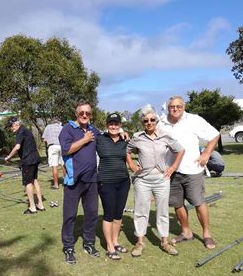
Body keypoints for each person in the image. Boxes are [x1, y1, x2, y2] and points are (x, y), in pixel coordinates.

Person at [159, 96, 220, 249]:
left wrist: (206, 153)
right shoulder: (161, 122)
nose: (175, 109)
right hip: (171, 171)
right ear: (168, 108)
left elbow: (214, 135)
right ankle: (186, 232)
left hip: (192, 170)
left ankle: (207, 234)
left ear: (184, 107)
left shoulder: (194, 120)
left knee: (198, 202)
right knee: (177, 204)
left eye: (178, 106)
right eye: (172, 106)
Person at [126, 105, 184, 258]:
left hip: (161, 178)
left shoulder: (165, 136)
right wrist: (131, 164)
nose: (149, 123)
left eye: (152, 120)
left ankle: (165, 242)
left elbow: (180, 150)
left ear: (157, 121)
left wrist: (173, 167)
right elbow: (127, 150)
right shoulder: (137, 137)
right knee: (141, 210)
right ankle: (140, 242)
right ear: (142, 123)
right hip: (142, 179)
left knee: (163, 210)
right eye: (146, 121)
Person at [59, 101, 101, 264]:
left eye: (88, 113)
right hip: (73, 181)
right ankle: (68, 247)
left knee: (92, 213)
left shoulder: (93, 130)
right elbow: (66, 150)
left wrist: (121, 133)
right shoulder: (67, 129)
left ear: (91, 114)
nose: (84, 115)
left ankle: (89, 243)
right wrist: (84, 140)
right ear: (76, 113)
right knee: (69, 216)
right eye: (81, 112)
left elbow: (107, 138)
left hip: (92, 180)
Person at [96, 113, 131, 260]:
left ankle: (115, 242)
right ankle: (109, 246)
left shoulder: (125, 140)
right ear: (106, 125)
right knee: (109, 214)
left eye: (116, 124)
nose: (113, 126)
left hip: (123, 181)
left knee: (118, 214)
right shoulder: (99, 139)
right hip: (106, 182)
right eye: (111, 123)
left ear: (120, 126)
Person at [5, 117, 45, 214]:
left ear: (15, 124)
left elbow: (17, 147)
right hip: (34, 158)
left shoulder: (20, 131)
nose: (11, 129)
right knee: (34, 180)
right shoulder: (25, 130)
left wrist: (8, 157)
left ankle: (32, 207)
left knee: (28, 183)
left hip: (29, 160)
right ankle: (40, 204)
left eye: (11, 126)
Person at [42, 120, 66, 190]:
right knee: (63, 165)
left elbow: (44, 139)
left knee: (54, 166)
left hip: (52, 146)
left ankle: (56, 185)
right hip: (62, 146)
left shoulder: (48, 127)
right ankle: (66, 182)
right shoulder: (62, 127)